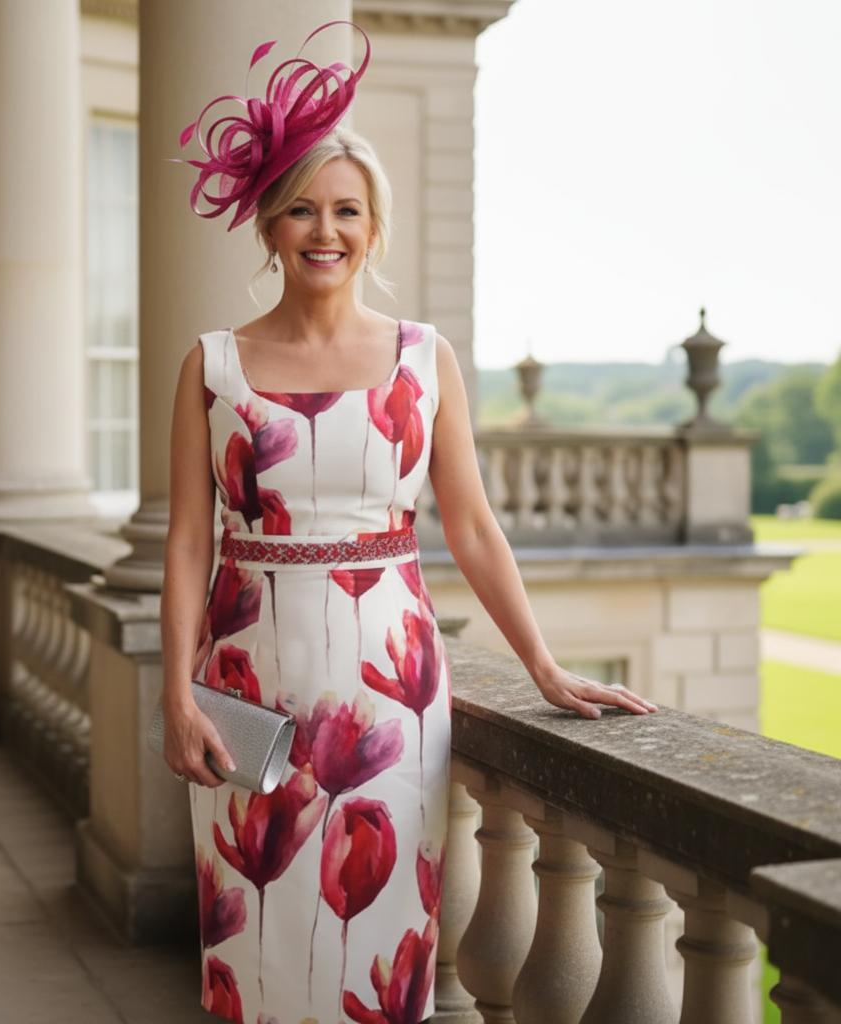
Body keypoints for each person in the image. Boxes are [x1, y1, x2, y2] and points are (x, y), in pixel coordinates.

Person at [160, 20, 657, 1024]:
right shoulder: (209, 365)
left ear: (374, 228)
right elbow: (184, 544)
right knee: (249, 944)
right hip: (242, 691)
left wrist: (543, 666)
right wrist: (175, 693)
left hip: (389, 695)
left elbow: (470, 528)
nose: (324, 230)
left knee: (378, 943)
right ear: (269, 222)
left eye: (346, 210)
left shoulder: (423, 360)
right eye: (301, 209)